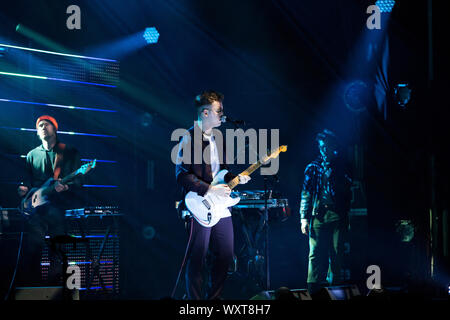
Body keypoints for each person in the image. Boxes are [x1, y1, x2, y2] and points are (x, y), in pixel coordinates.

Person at [175, 90, 250, 299]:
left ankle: (214, 299)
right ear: (205, 113)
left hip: (220, 205)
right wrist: (208, 189)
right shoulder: (188, 138)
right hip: (199, 204)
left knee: (226, 255)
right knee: (197, 258)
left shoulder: (218, 138)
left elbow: (221, 171)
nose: (223, 115)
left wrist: (236, 178)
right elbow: (181, 176)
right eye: (219, 111)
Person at [17, 115, 83, 286]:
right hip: (36, 211)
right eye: (39, 125)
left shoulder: (69, 152)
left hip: (58, 207)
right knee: (33, 248)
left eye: (46, 124)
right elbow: (26, 181)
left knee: (57, 249)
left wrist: (67, 187)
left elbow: (79, 181)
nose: (43, 127)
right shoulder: (32, 155)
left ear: (55, 128)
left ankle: (57, 287)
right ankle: (34, 286)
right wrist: (23, 190)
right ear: (37, 132)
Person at [299, 129, 352, 294]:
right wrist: (304, 218)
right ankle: (313, 288)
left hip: (336, 214)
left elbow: (349, 189)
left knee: (336, 251)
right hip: (318, 214)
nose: (323, 150)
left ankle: (334, 286)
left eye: (326, 146)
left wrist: (334, 177)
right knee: (314, 252)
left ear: (333, 146)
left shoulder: (342, 166)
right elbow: (306, 193)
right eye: (321, 146)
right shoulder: (313, 167)